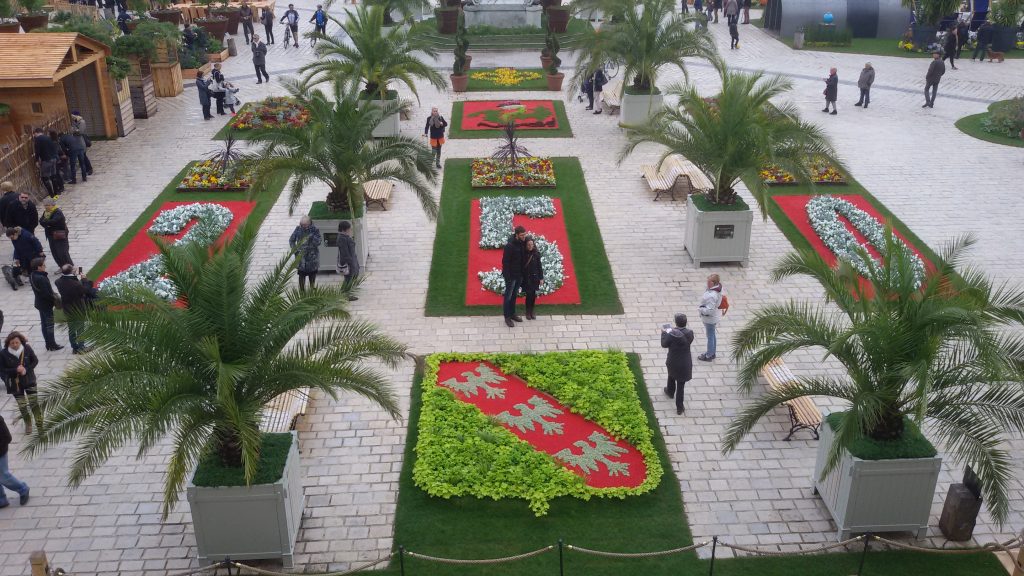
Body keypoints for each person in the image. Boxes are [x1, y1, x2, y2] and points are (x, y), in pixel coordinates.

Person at [1, 332, 43, 436]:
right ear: (8, 343)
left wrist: (26, 369)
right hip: (15, 384)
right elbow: (2, 369)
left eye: (17, 342)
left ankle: (40, 425)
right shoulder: (3, 353)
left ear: (21, 342)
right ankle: (28, 423)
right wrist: (15, 370)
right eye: (12, 343)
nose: (15, 345)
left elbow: (35, 361)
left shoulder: (27, 348)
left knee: (34, 404)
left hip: (29, 380)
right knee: (22, 405)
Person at [55, 264, 96, 355]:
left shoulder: (58, 281)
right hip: (77, 308)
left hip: (67, 308)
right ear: (71, 271)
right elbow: (86, 290)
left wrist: (76, 278)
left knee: (72, 329)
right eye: (73, 269)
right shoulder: (75, 284)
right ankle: (81, 347)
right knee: (80, 328)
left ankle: (74, 347)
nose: (75, 269)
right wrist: (85, 280)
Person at [661, 313, 694, 415]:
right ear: (686, 322)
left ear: (676, 322)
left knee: (671, 374)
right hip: (685, 362)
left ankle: (670, 392)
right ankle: (679, 408)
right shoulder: (690, 333)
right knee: (681, 385)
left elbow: (664, 344)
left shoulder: (671, 334)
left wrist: (663, 333)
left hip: (673, 360)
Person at [29, 258, 62, 352]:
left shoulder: (32, 275)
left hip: (39, 303)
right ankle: (52, 344)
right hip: (46, 304)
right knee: (50, 325)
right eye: (43, 265)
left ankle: (48, 343)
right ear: (39, 267)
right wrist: (54, 300)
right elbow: (46, 294)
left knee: (44, 324)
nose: (45, 266)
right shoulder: (41, 278)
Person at [0, 413, 31, 508]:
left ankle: (23, 488)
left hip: (0, 453)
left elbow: (8, 438)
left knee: (4, 476)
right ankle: (1, 499)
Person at [501, 225, 527, 328]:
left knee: (514, 295)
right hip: (511, 276)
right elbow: (505, 262)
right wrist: (508, 277)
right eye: (522, 235)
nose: (524, 236)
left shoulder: (521, 243)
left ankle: (512, 314)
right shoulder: (510, 246)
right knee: (508, 297)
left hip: (519, 275)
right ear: (517, 235)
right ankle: (507, 317)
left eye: (524, 234)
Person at [289, 216, 322, 292]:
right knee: (301, 274)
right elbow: (291, 240)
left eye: (305, 225)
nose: (303, 226)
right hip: (301, 258)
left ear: (309, 223)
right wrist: (295, 250)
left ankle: (312, 288)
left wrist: (312, 237)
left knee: (312, 274)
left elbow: (319, 242)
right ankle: (302, 290)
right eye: (302, 224)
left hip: (312, 257)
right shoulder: (298, 229)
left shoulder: (315, 230)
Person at [39, 198, 72, 268]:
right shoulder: (46, 212)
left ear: (52, 205)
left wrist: (46, 223)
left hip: (59, 235)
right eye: (45, 205)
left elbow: (53, 221)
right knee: (55, 252)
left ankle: (69, 266)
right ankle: (61, 266)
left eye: (47, 205)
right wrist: (47, 223)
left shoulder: (57, 212)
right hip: (50, 235)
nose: (46, 207)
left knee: (62, 252)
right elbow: (41, 221)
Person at [697, 274, 724, 361]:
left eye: (708, 282)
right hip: (714, 316)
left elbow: (710, 310)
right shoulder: (718, 288)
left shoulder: (712, 295)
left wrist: (701, 309)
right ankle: (712, 352)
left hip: (710, 318)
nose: (707, 283)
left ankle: (709, 355)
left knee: (710, 336)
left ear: (713, 283)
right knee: (712, 335)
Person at [32, 127, 63, 197]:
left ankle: (51, 194)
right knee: (53, 176)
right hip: (53, 159)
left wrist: (36, 160)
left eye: (34, 134)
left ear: (36, 133)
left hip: (46, 160)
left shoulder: (38, 139)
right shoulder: (49, 138)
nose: (34, 136)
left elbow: (37, 151)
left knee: (44, 177)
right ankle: (56, 192)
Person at [336, 220, 359, 300]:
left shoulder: (345, 237)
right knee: (348, 279)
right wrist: (351, 263)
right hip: (348, 263)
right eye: (349, 229)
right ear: (344, 230)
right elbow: (345, 253)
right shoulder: (342, 239)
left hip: (352, 261)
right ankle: (346, 295)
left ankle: (344, 293)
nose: (350, 230)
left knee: (350, 278)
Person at [522, 237, 543, 320]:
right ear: (526, 245)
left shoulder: (536, 254)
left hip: (535, 277)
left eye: (532, 244)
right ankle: (528, 311)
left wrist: (541, 278)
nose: (530, 246)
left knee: (533, 295)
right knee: (529, 295)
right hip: (527, 278)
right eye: (528, 245)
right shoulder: (523, 254)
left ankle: (532, 311)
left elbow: (539, 267)